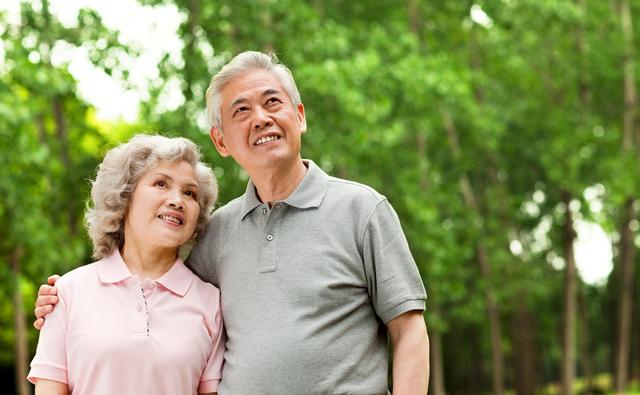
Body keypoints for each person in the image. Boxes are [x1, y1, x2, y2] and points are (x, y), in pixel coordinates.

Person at [35, 51, 430, 394]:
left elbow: (409, 330)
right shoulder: (215, 233)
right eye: (241, 110)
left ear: (299, 116)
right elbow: (154, 293)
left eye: (272, 102)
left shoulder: (362, 209)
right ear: (222, 142)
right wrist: (62, 301)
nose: (260, 118)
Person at [29, 134, 224, 395]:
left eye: (189, 192)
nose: (177, 200)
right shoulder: (66, 293)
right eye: (161, 183)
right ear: (125, 196)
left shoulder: (211, 303)